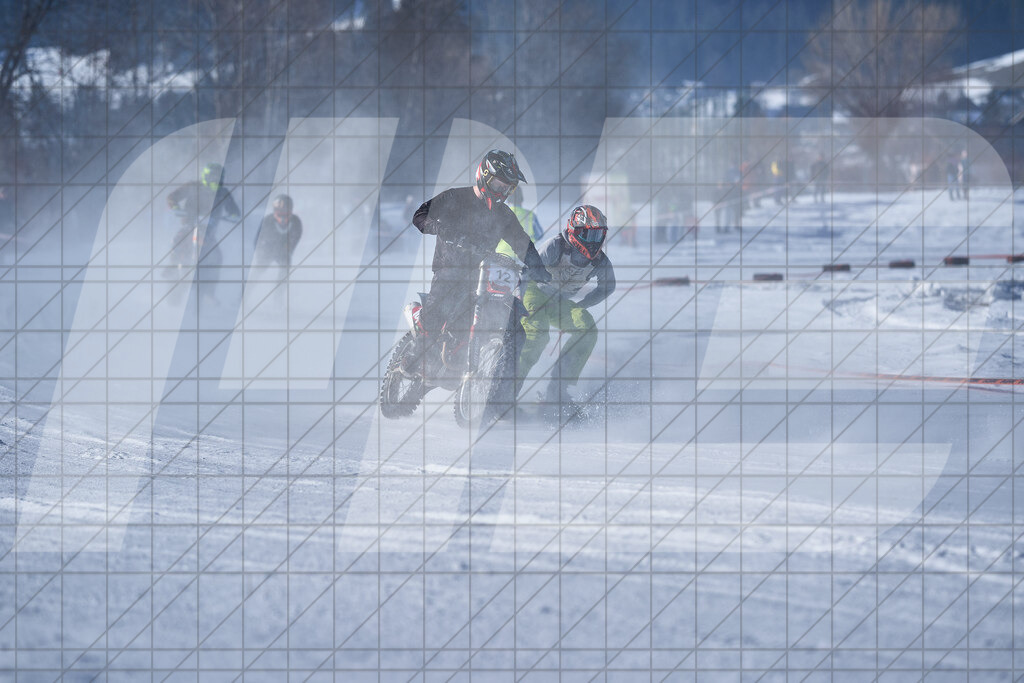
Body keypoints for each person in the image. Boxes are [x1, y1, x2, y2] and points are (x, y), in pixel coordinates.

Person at [412, 149, 550, 351]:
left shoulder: (503, 214)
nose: (501, 192)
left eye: (507, 188)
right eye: (498, 185)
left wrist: (539, 267)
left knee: (503, 315)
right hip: (448, 268)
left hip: (480, 275)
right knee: (435, 318)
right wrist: (441, 229)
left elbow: (522, 241)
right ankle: (415, 353)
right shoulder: (454, 197)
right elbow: (419, 215)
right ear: (484, 175)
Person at [518, 204, 616, 410]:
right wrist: (519, 299)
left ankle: (557, 391)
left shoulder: (600, 261)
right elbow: (527, 269)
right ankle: (504, 393)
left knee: (586, 329)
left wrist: (581, 305)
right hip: (535, 292)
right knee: (537, 335)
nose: (594, 243)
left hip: (559, 301)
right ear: (575, 231)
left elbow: (608, 287)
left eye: (598, 236)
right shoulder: (556, 246)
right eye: (589, 236)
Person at [165, 162, 241, 300]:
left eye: (219, 177)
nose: (216, 181)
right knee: (177, 240)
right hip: (189, 225)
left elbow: (234, 210)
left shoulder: (223, 192)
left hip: (208, 231)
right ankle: (171, 268)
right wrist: (175, 207)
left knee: (217, 257)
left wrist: (234, 216)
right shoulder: (193, 186)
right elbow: (172, 197)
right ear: (206, 176)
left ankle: (209, 293)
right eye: (213, 177)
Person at [252, 194, 303, 283]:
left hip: (283, 251)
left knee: (285, 269)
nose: (281, 218)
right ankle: (245, 293)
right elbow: (257, 240)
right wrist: (259, 253)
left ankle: (279, 295)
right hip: (267, 250)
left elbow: (296, 238)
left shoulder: (296, 222)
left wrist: (289, 250)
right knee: (257, 272)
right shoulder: (268, 220)